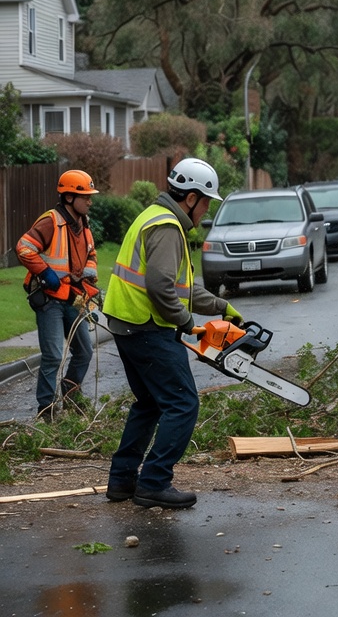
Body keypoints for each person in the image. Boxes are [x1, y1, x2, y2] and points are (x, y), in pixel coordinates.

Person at [104, 158, 243, 509]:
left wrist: (222, 308)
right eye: (206, 202)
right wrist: (186, 324)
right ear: (192, 198)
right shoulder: (167, 227)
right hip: (147, 326)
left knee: (150, 403)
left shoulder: (155, 216)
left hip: (129, 323)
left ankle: (122, 480)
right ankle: (153, 482)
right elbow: (161, 287)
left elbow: (182, 289)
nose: (206, 210)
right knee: (183, 403)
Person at [16, 169, 100, 421]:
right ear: (69, 197)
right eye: (85, 196)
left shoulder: (83, 226)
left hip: (73, 298)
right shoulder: (51, 221)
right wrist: (45, 272)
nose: (90, 201)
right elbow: (24, 247)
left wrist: (88, 278)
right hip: (50, 299)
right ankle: (47, 410)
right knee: (53, 354)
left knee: (84, 352)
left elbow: (92, 256)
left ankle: (71, 396)